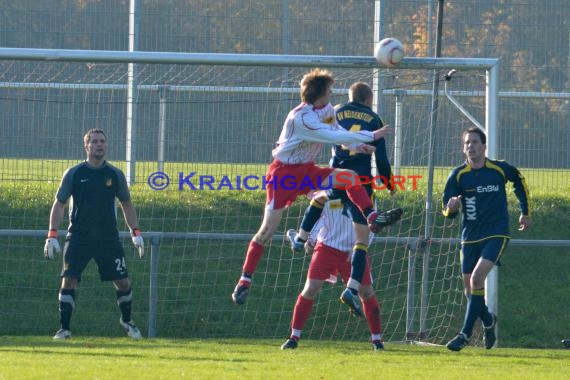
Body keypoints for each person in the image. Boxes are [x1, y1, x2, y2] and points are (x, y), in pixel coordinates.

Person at [231, 69, 402, 305]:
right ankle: (245, 279)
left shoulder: (328, 110)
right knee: (267, 231)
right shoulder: (301, 118)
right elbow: (325, 135)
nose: (332, 92)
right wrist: (371, 135)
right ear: (320, 93)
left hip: (307, 169)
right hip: (283, 175)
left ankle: (371, 216)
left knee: (349, 177)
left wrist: (359, 145)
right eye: (329, 89)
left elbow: (336, 133)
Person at [286, 82, 400, 317]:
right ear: (369, 99)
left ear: (350, 96)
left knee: (320, 198)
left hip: (336, 176)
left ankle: (300, 237)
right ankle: (351, 289)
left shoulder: (335, 111)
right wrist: (389, 184)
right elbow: (382, 161)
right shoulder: (374, 118)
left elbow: (325, 135)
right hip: (361, 184)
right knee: (361, 240)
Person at [44, 128, 145, 340]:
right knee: (69, 280)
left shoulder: (115, 174)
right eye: (95, 142)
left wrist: (135, 232)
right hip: (79, 237)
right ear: (86, 146)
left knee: (123, 282)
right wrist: (52, 234)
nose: (100, 145)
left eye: (102, 142)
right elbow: (59, 204)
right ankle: (64, 329)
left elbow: (126, 204)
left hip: (108, 238)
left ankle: (127, 320)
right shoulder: (74, 173)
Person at [443, 127, 531, 351]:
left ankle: (464, 334)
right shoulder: (458, 175)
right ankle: (489, 321)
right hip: (469, 236)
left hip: (496, 233)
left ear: (484, 146)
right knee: (469, 290)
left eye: (474, 142)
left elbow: (519, 181)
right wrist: (451, 207)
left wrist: (525, 211)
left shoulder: (499, 169)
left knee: (476, 279)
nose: (470, 146)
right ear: (463, 149)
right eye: (467, 143)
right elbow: (447, 210)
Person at [281, 196, 385, 351]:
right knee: (311, 288)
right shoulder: (327, 193)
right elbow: (317, 215)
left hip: (354, 250)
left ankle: (377, 341)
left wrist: (360, 248)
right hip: (327, 248)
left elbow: (371, 226)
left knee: (367, 292)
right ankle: (293, 338)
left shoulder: (365, 194)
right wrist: (311, 238)